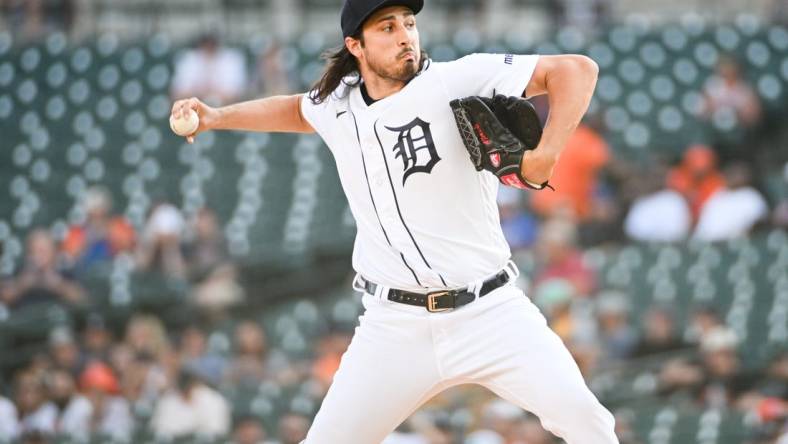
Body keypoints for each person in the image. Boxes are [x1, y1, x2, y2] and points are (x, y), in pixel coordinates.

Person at [170, 0, 615, 442]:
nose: (405, 35)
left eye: (409, 23)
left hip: (490, 312)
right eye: (387, 27)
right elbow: (298, 110)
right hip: (395, 327)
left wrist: (547, 152)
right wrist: (217, 117)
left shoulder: (457, 79)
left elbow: (576, 69)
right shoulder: (338, 104)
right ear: (355, 45)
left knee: (587, 422)